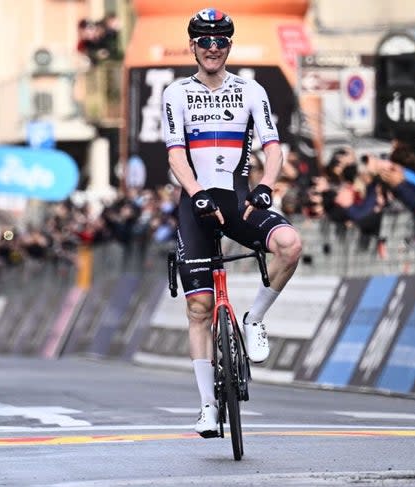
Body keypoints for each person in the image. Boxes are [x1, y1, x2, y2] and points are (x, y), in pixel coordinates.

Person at [160, 8, 302, 437]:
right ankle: (207, 406)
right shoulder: (176, 93)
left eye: (221, 40)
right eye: (204, 40)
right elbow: (175, 153)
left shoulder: (252, 90)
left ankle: (254, 318)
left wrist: (267, 185)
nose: (212, 48)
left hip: (240, 201)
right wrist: (196, 191)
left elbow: (273, 147)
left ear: (229, 46)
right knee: (199, 308)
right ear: (192, 46)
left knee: (290, 244)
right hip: (196, 203)